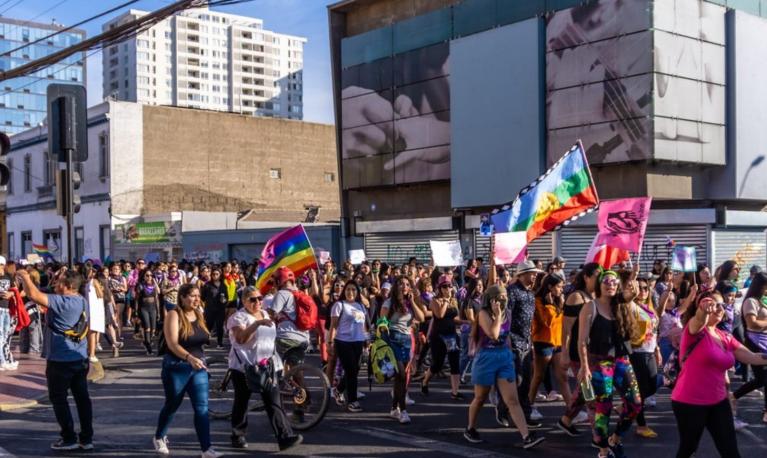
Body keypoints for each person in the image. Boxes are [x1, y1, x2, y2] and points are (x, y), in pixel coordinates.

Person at [671, 290, 767, 457]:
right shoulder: (693, 331)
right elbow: (699, 320)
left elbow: (752, 357)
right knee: (688, 448)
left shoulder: (725, 337)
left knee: (730, 450)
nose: (718, 308)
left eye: (721, 305)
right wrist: (703, 309)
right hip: (689, 402)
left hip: (718, 401)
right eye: (713, 304)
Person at [17, 269, 93, 451]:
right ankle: (86, 438)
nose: (55, 284)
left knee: (58, 398)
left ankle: (68, 438)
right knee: (82, 399)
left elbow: (33, 295)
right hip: (79, 358)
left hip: (60, 360)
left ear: (68, 287)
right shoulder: (82, 301)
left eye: (59, 282)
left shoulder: (62, 302)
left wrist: (25, 277)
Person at [463, 284, 545, 448]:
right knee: (480, 398)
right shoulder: (483, 314)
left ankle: (526, 437)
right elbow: (493, 335)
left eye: (505, 296)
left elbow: (506, 338)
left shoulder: (507, 313)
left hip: (504, 357)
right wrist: (498, 316)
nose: (504, 299)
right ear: (491, 299)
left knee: (512, 400)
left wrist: (513, 360)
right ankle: (470, 428)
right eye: (500, 297)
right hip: (486, 357)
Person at [227, 286, 302, 451]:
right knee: (242, 401)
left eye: (259, 298)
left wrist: (277, 362)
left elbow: (270, 340)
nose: (257, 302)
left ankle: (284, 437)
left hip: (267, 365)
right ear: (244, 301)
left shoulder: (265, 314)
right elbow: (240, 339)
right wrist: (257, 324)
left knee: (273, 402)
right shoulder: (237, 317)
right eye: (252, 299)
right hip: (244, 367)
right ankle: (237, 435)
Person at [576, 270, 642, 458]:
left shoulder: (620, 304)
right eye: (606, 281)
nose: (610, 284)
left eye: (614, 281)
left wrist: (633, 288)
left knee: (635, 403)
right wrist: (584, 366)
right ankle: (603, 450)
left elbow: (630, 295)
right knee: (603, 407)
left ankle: (616, 438)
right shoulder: (590, 307)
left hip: (621, 360)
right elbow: (581, 341)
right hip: (600, 362)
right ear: (599, 284)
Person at [153, 284, 220, 458]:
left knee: (202, 408)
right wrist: (189, 358)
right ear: (182, 297)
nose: (197, 299)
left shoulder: (199, 313)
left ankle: (206, 449)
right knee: (172, 404)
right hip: (177, 367)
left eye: (198, 295)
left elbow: (204, 338)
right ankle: (159, 436)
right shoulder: (173, 315)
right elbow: (172, 344)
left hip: (198, 368)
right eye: (192, 295)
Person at [495, 260, 544, 427]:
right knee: (514, 380)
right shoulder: (512, 292)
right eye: (532, 272)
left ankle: (525, 413)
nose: (535, 275)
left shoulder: (531, 293)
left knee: (526, 380)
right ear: (521, 275)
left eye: (535, 272)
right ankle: (503, 409)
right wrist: (506, 338)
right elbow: (504, 316)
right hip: (513, 342)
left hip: (526, 342)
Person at [559, 262, 601, 435]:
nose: (600, 279)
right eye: (596, 276)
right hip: (578, 353)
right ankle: (598, 436)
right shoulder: (576, 297)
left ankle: (566, 420)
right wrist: (564, 353)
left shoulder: (599, 297)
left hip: (596, 353)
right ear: (586, 277)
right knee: (590, 394)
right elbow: (566, 328)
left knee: (585, 392)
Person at [379, 275, 426, 424]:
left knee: (402, 377)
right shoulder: (389, 302)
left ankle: (394, 408)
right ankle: (403, 411)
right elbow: (382, 322)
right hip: (392, 339)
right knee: (400, 374)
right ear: (396, 286)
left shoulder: (411, 303)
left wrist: (412, 301)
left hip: (406, 341)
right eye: (401, 284)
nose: (404, 286)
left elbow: (422, 317)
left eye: (407, 284)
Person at [529, 273, 569, 420]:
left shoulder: (558, 300)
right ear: (550, 287)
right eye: (559, 287)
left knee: (562, 377)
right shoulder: (539, 301)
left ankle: (571, 410)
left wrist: (559, 304)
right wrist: (551, 305)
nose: (561, 290)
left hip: (557, 343)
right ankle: (529, 406)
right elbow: (548, 322)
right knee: (538, 376)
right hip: (543, 342)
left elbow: (562, 322)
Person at [628, 275, 662, 438]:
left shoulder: (649, 307)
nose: (643, 291)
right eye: (639, 288)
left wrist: (657, 349)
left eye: (645, 288)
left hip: (650, 351)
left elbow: (654, 331)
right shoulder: (631, 307)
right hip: (637, 353)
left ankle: (628, 406)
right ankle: (641, 425)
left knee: (653, 385)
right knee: (641, 391)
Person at [328, 280, 369, 412]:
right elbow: (333, 326)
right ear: (344, 291)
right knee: (351, 370)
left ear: (357, 292)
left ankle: (338, 390)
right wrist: (330, 343)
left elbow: (363, 325)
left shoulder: (360, 306)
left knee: (355, 370)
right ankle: (352, 401)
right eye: (348, 289)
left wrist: (366, 340)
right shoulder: (339, 305)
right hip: (343, 342)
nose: (350, 292)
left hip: (358, 342)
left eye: (353, 290)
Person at [732, 272, 767, 425]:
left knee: (762, 379)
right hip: (755, 344)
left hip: (764, 342)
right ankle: (733, 396)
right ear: (761, 285)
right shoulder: (751, 302)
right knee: (762, 379)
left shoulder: (760, 301)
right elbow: (752, 324)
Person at [421, 275, 464, 400]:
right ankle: (424, 382)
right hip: (438, 336)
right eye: (444, 286)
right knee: (437, 364)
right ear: (440, 288)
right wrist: (445, 300)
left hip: (451, 335)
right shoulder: (435, 301)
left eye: (449, 286)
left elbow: (454, 317)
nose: (447, 288)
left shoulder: (454, 300)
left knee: (454, 362)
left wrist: (466, 322)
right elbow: (440, 315)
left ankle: (455, 392)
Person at [135, 269, 161, 355]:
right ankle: (149, 348)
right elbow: (137, 299)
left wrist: (158, 311)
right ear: (143, 276)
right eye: (147, 275)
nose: (149, 277)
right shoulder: (140, 286)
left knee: (153, 330)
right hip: (144, 308)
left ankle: (146, 342)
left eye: (151, 275)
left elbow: (158, 294)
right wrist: (136, 312)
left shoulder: (154, 285)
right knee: (147, 328)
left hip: (153, 308)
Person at [202, 268, 228, 349]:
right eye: (213, 274)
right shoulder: (207, 285)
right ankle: (206, 341)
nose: (215, 276)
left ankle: (219, 343)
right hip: (210, 309)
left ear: (220, 275)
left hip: (220, 309)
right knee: (208, 326)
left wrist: (224, 300)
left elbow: (227, 297)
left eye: (217, 274)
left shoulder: (223, 285)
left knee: (220, 326)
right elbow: (202, 297)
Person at [0, 256, 18, 370]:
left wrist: (11, 294)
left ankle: (6, 359)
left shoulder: (8, 276)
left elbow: (14, 290)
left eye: (2, 265)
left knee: (6, 335)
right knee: (1, 335)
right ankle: (2, 360)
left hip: (6, 309)